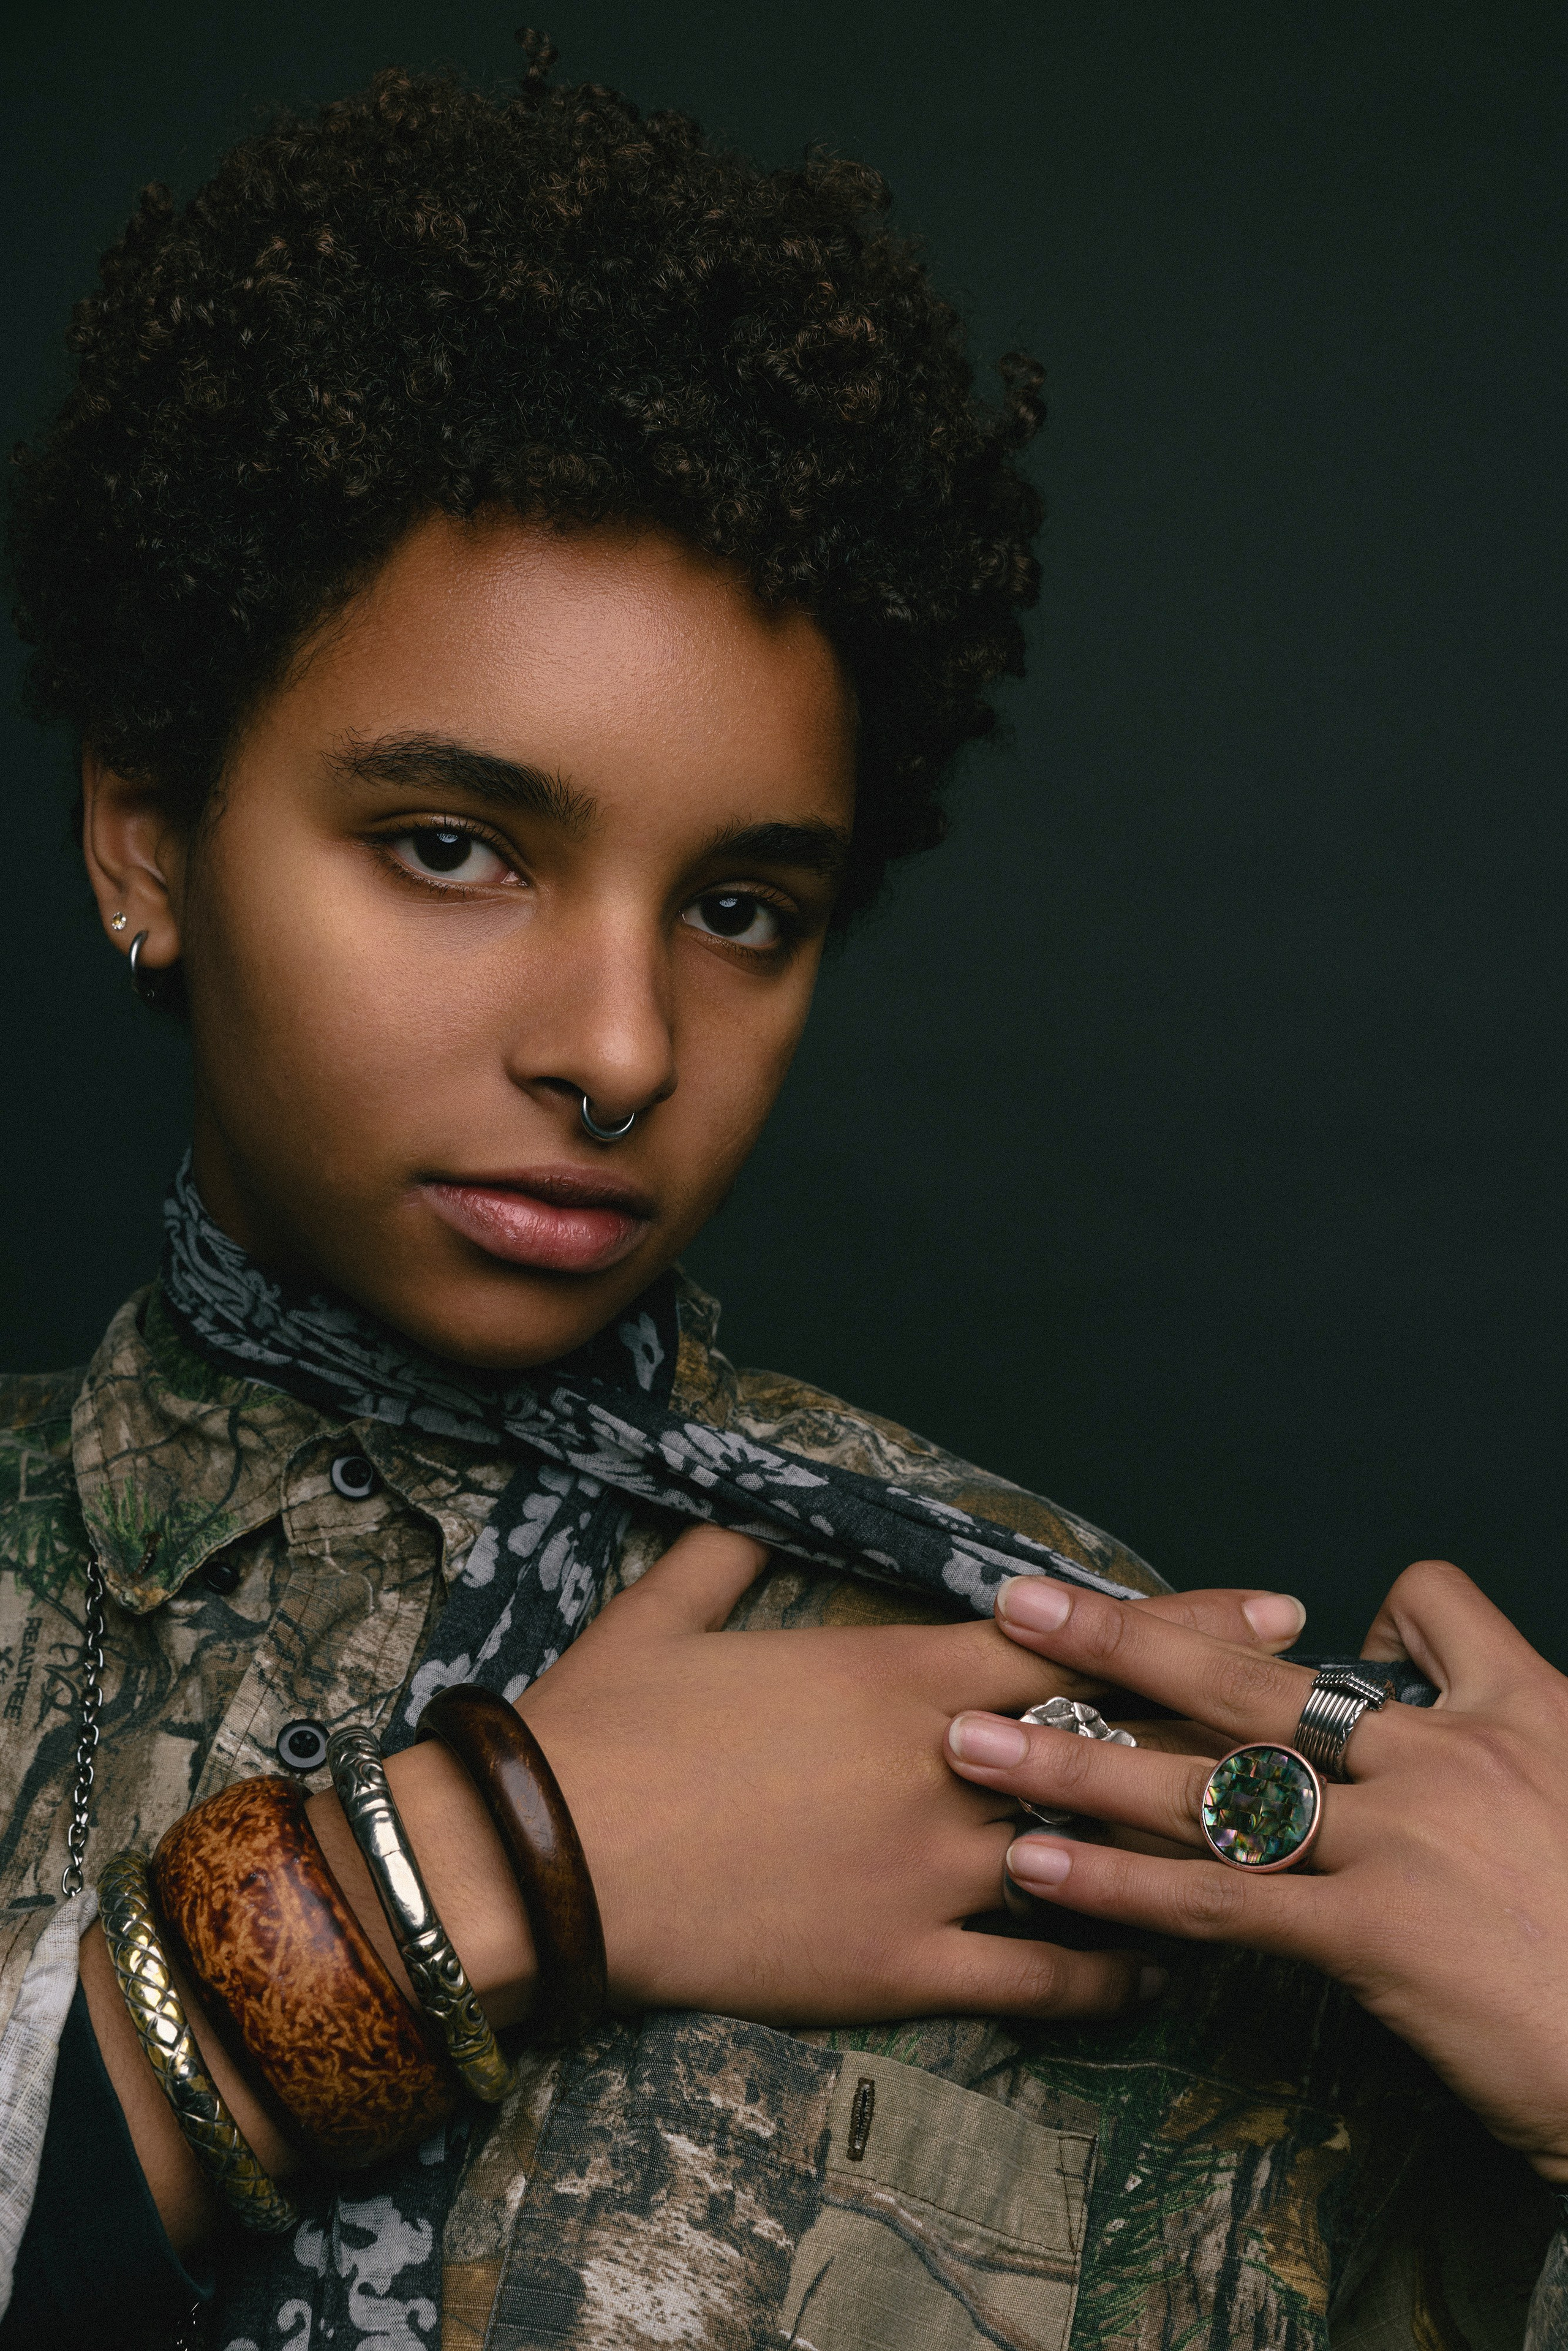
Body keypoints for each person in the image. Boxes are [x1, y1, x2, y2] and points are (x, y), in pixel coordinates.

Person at [0, 36, 1561, 2351]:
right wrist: (472, 1872)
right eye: (453, 847)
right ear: (147, 832)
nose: (620, 1049)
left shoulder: (1076, 1754)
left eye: (743, 907)